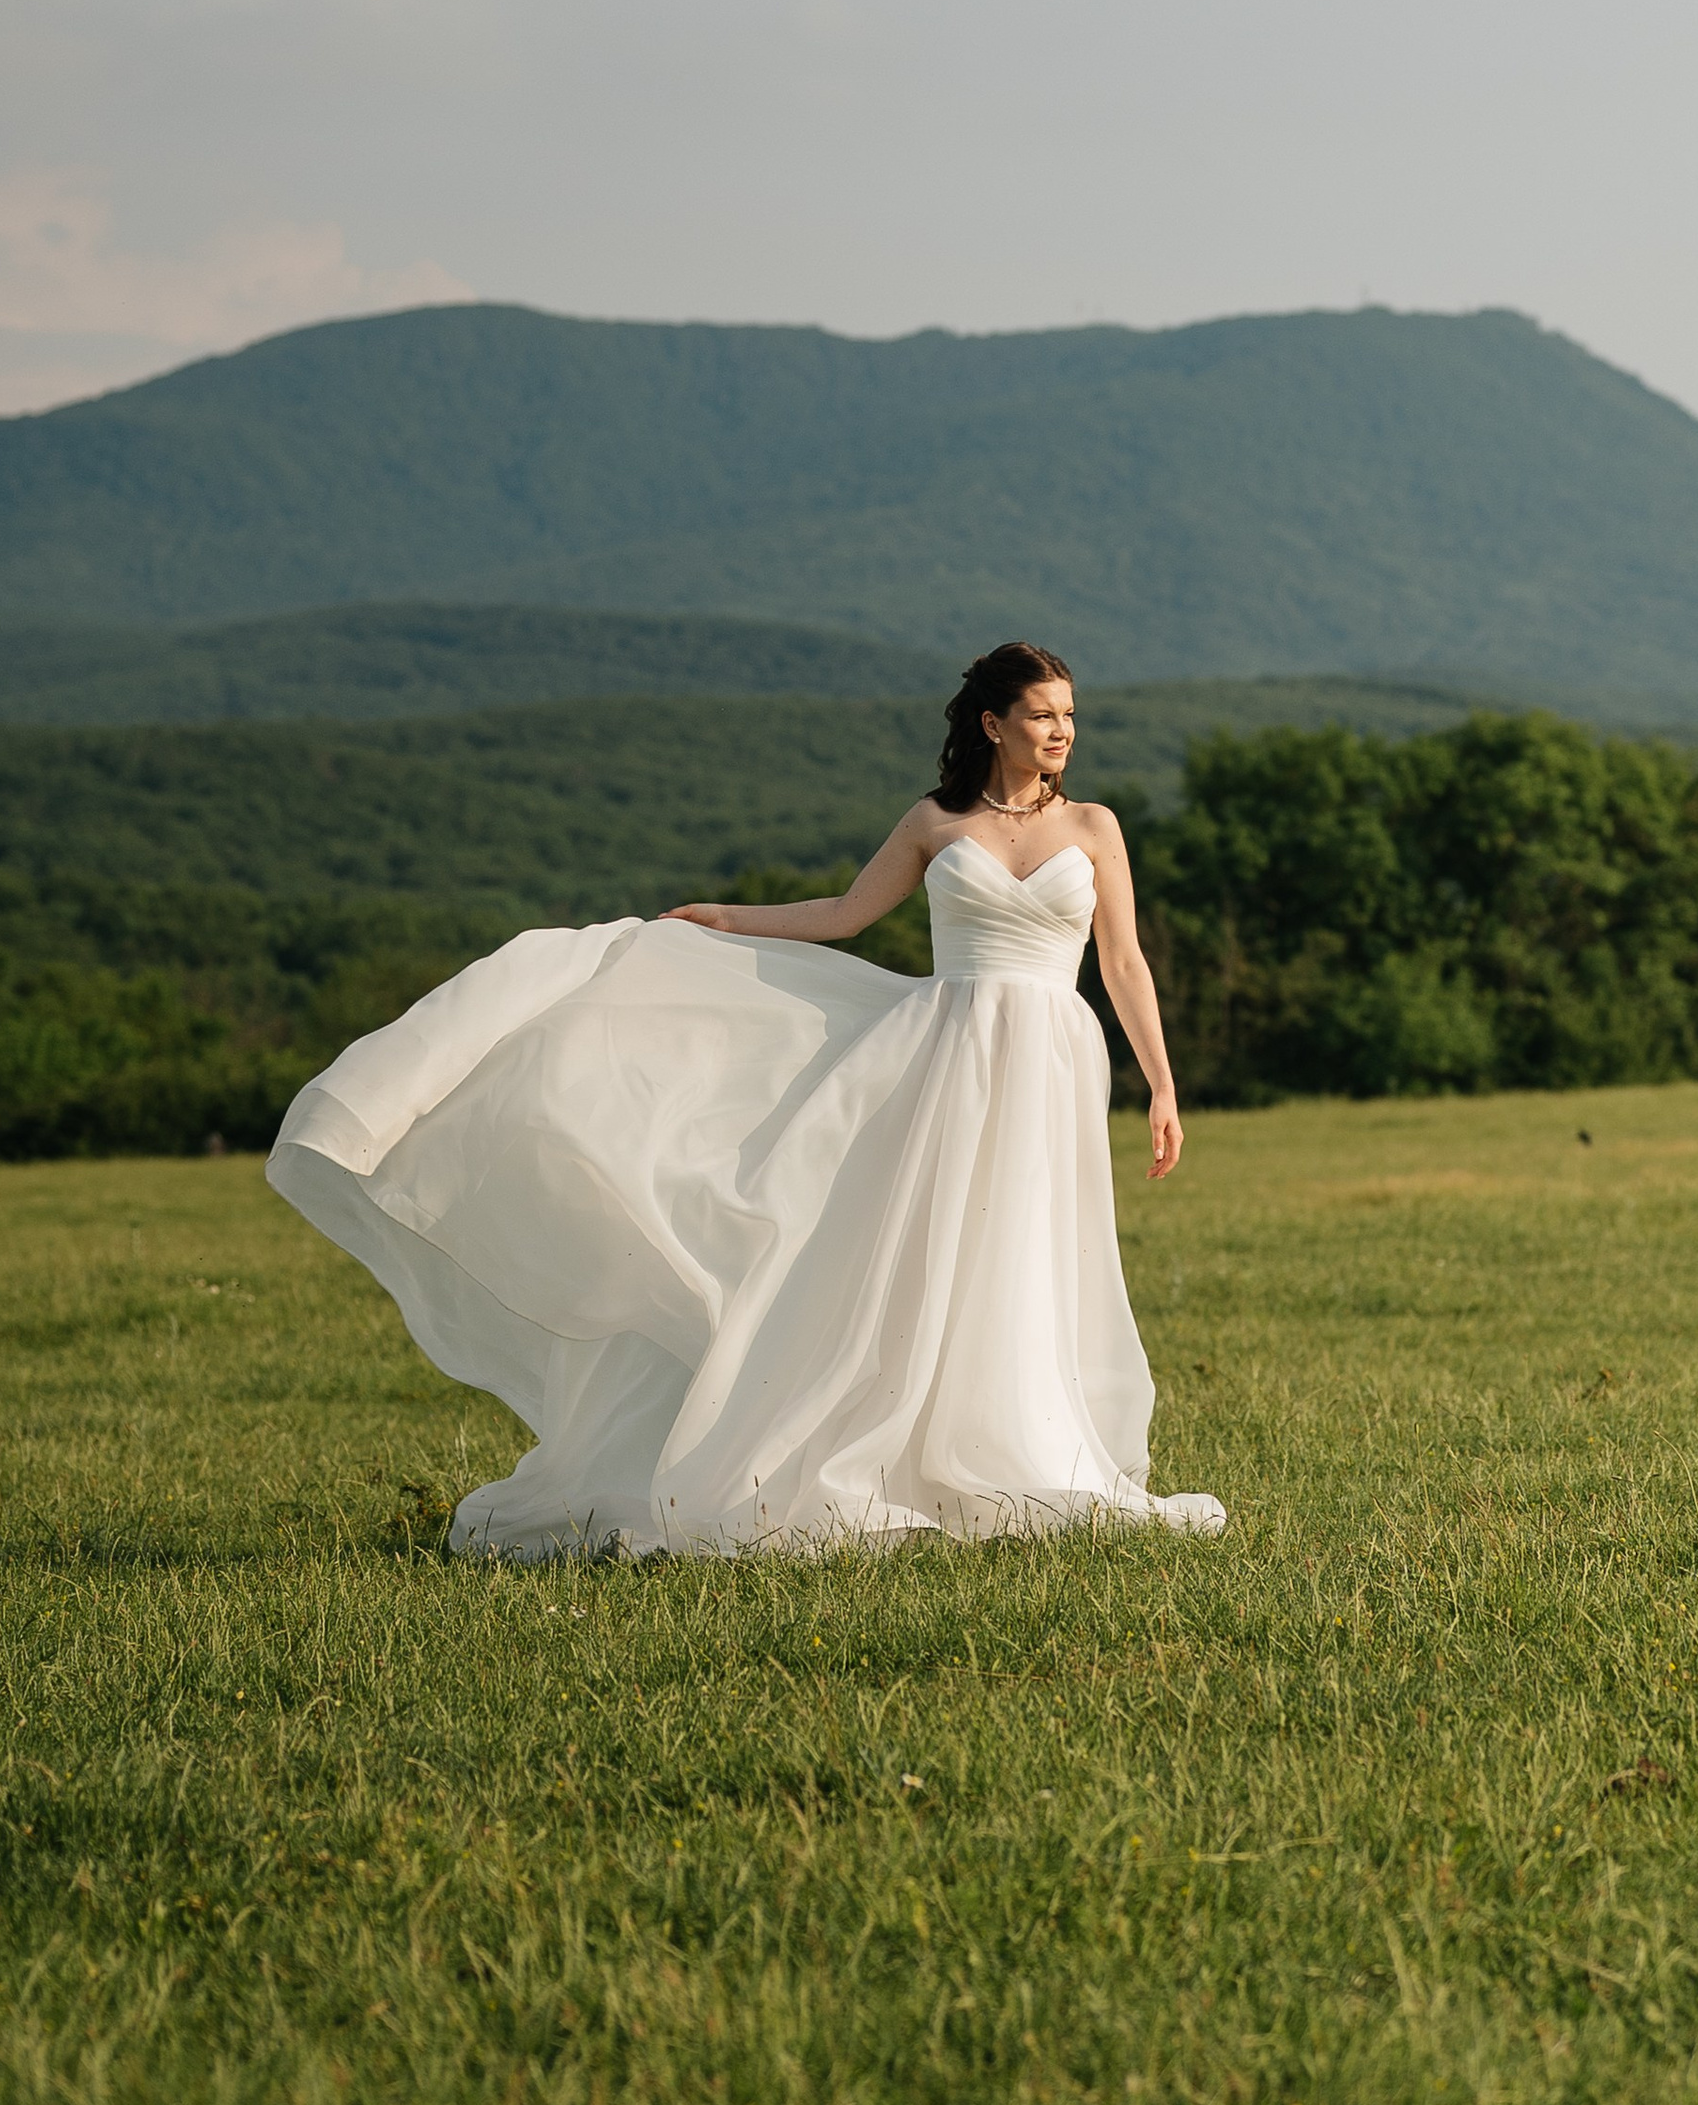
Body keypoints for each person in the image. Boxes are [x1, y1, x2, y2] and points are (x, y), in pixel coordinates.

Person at [267, 640, 1226, 1557]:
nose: (1062, 731)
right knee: (929, 1246)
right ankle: (894, 1444)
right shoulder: (937, 823)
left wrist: (1162, 1082)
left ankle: (1023, 1440)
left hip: (1053, 1057)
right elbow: (845, 916)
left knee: (1027, 1245)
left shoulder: (1094, 827)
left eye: (1069, 715)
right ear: (992, 722)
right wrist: (727, 922)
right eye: (1042, 715)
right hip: (948, 1056)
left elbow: (1124, 960)